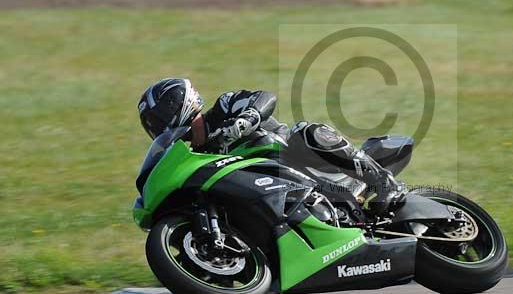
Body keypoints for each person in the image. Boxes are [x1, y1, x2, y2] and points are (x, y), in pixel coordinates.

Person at [137, 78, 405, 216]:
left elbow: (264, 98)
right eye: (150, 123)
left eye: (157, 118)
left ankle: (384, 183)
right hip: (268, 192)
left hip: (294, 159)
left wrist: (247, 119)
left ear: (176, 104)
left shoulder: (224, 107)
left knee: (306, 131)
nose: (156, 126)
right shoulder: (192, 157)